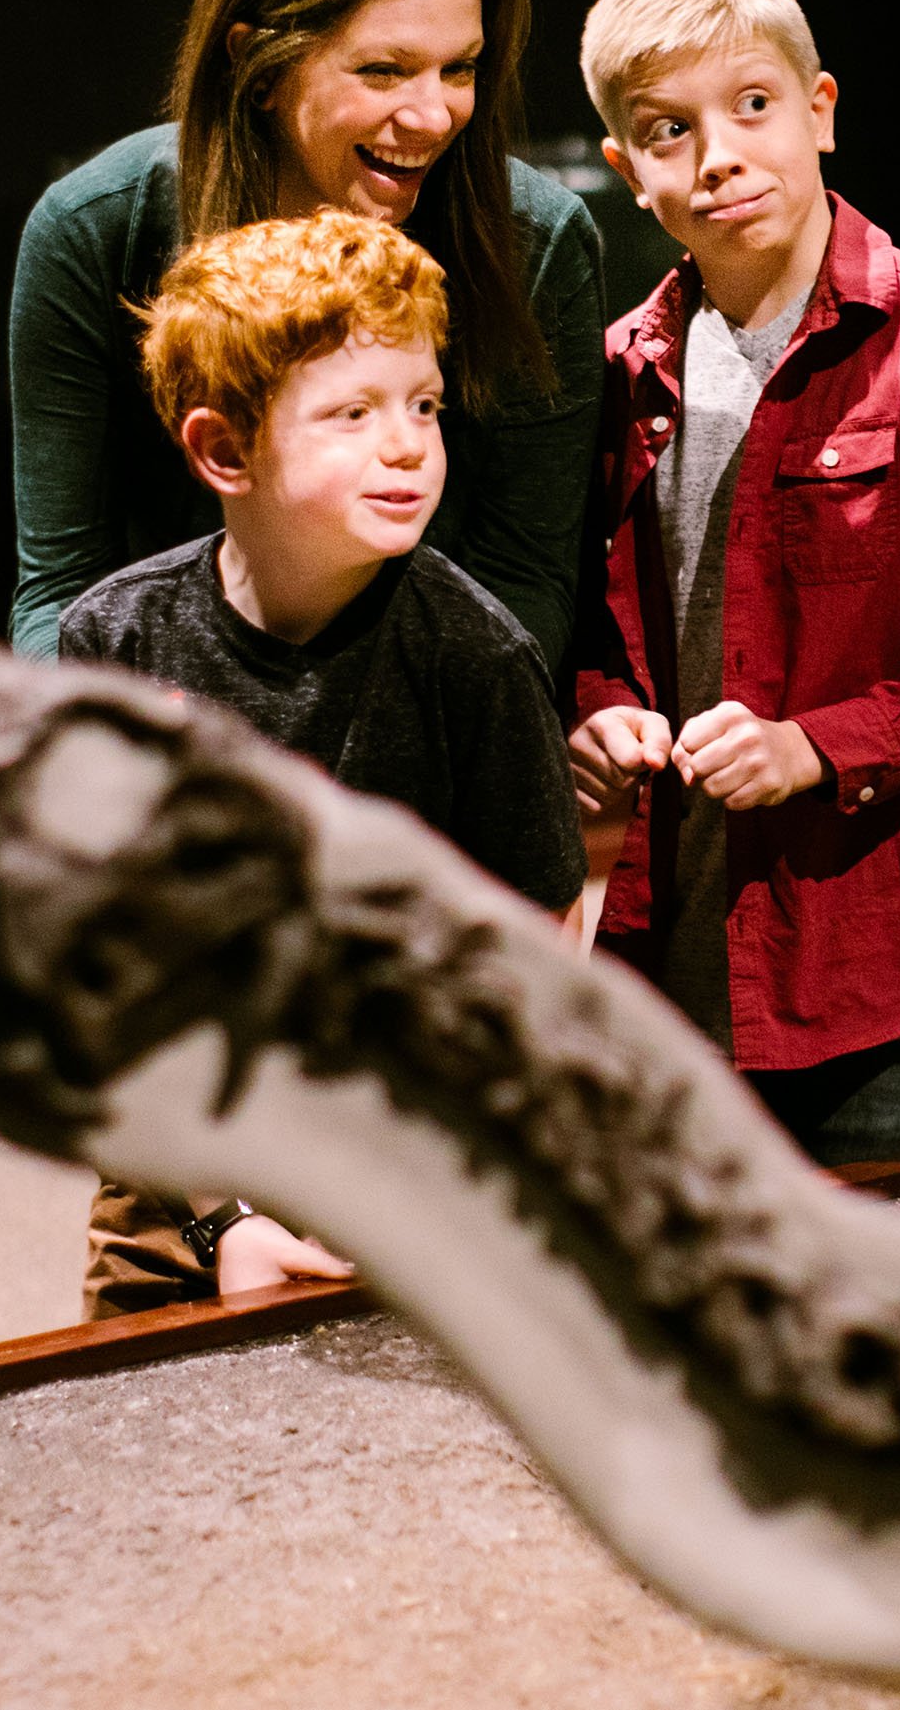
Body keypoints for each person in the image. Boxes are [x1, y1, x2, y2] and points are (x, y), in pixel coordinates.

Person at [565, 0, 900, 1165]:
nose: (720, 154)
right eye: (667, 129)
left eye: (751, 106)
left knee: (865, 1327)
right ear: (626, 168)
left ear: (819, 110)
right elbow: (599, 622)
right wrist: (597, 715)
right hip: (670, 961)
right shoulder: (619, 368)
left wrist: (814, 746)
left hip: (879, 965)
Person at [60, 210, 585, 1315]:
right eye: (351, 413)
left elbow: (531, 976)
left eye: (424, 407)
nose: (406, 445)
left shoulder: (477, 657)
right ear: (221, 450)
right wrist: (223, 1217)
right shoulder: (115, 641)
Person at [10, 0, 601, 683]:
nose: (433, 115)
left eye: (459, 68)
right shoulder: (95, 227)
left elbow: (525, 582)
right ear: (258, 66)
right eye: (384, 70)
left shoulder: (536, 241)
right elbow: (60, 587)